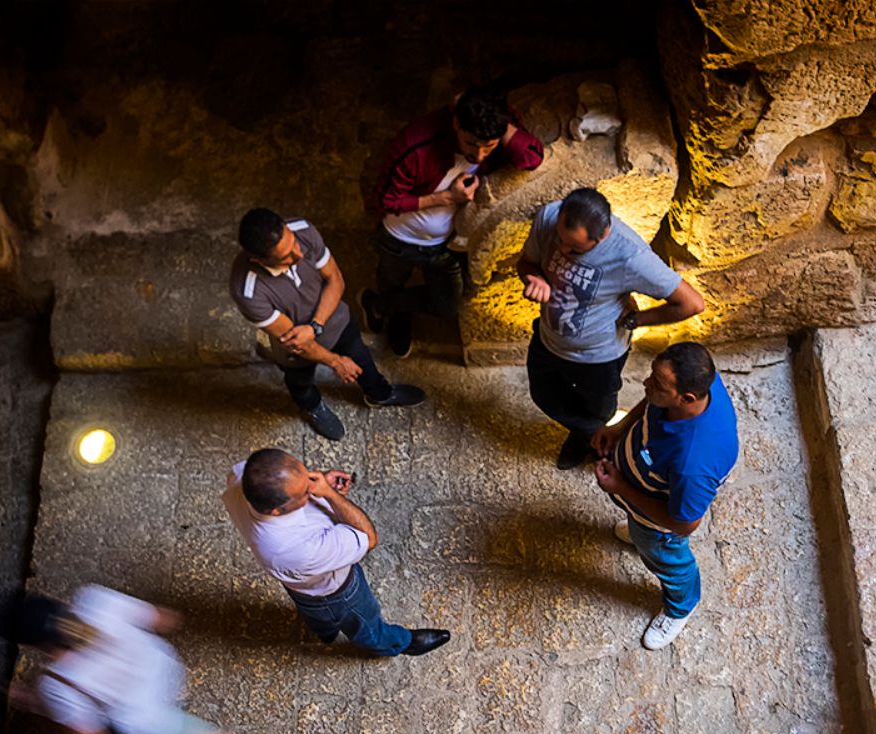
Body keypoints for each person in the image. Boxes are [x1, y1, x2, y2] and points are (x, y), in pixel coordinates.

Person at [519, 187, 707, 469]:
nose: (562, 249)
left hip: (599, 356)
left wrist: (636, 320)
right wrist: (534, 279)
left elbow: (691, 303)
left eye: (575, 249)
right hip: (549, 339)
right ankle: (592, 434)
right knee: (543, 396)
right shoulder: (549, 217)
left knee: (600, 409)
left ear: (602, 236)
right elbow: (526, 263)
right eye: (559, 239)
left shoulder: (630, 256)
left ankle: (590, 438)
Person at [364, 87, 544, 358]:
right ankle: (396, 314)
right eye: (471, 144)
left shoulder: (495, 131)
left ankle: (380, 305)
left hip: (445, 245)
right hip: (399, 239)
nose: (479, 155)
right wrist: (448, 197)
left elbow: (532, 157)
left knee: (447, 305)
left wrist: (501, 123)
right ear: (456, 123)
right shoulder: (416, 144)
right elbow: (386, 200)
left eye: (489, 147)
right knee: (391, 280)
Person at [222, 448, 450, 657]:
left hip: (301, 589)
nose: (312, 488)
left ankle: (326, 632)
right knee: (367, 627)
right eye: (305, 492)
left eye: (307, 476)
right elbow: (369, 538)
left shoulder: (242, 477)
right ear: (276, 510)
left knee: (317, 617)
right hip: (338, 593)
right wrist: (330, 494)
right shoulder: (297, 548)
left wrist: (316, 482)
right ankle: (397, 643)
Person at [2, 586, 259, 734]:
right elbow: (164, 619)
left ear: (37, 646)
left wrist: (42, 709)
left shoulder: (56, 685)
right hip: (164, 665)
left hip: (147, 715)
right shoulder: (94, 600)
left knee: (173, 733)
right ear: (60, 605)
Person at [230, 208, 425, 443]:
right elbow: (296, 342)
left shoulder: (302, 230)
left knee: (362, 358)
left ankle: (380, 394)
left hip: (336, 321)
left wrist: (315, 326)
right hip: (295, 352)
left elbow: (336, 280)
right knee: (300, 382)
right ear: (259, 261)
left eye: (293, 243)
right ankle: (312, 406)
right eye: (286, 257)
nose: (299, 254)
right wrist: (335, 362)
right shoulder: (248, 291)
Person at [591, 342, 738, 650]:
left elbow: (684, 524)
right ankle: (637, 528)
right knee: (639, 531)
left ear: (687, 398)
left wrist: (621, 487)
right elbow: (651, 403)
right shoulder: (700, 383)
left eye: (657, 384)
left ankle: (681, 606)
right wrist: (619, 429)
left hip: (660, 527)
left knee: (667, 558)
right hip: (642, 492)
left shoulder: (692, 464)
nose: (646, 384)